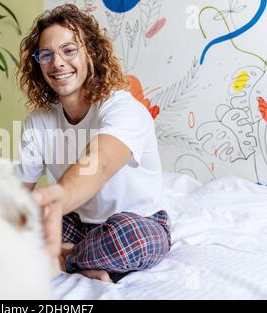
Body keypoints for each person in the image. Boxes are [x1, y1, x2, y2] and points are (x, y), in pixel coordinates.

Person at [14, 4, 171, 283]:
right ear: (38, 64)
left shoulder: (122, 108)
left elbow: (97, 165)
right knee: (21, 226)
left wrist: (59, 196)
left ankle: (66, 259)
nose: (57, 62)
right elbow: (17, 195)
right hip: (78, 224)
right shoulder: (39, 122)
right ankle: (88, 260)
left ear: (91, 53)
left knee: (128, 236)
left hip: (138, 223)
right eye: (46, 55)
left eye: (69, 50)